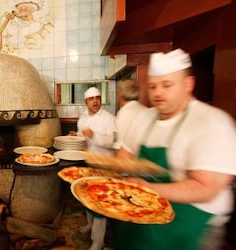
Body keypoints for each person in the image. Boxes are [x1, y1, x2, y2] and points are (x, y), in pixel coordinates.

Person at [114, 48, 236, 250]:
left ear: (188, 84)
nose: (158, 92)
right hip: (142, 215)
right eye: (152, 87)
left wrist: (146, 188)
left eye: (167, 85)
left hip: (190, 223)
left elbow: (205, 189)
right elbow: (123, 157)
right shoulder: (144, 118)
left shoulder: (212, 123)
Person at [74, 87, 116, 250]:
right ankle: (89, 225)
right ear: (86, 102)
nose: (95, 101)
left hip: (104, 164)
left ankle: (98, 241)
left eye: (98, 98)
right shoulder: (83, 118)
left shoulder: (109, 119)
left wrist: (94, 136)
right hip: (88, 162)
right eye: (92, 99)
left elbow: (114, 141)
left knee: (99, 202)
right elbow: (82, 137)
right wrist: (76, 137)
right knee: (86, 197)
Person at [113, 78, 147, 150]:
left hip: (129, 158)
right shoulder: (146, 111)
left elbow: (119, 145)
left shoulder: (123, 114)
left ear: (119, 95)